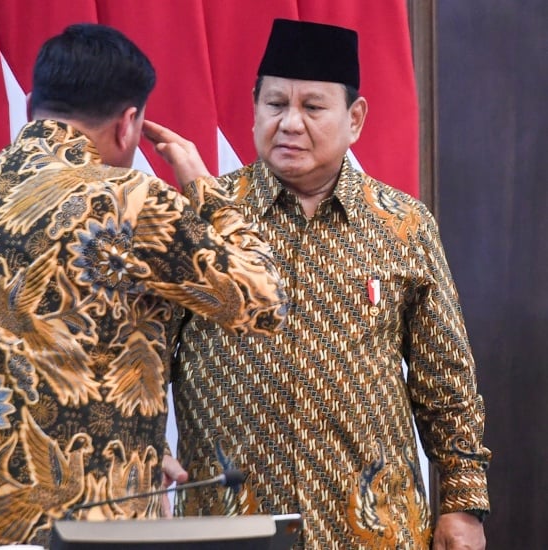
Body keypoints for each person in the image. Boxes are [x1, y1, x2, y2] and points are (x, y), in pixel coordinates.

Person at [0, 23, 289, 549]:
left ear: (32, 105)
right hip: (79, 528)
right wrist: (204, 188)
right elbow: (265, 300)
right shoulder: (130, 199)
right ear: (129, 123)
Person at [148, 18, 491, 549]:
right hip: (232, 524)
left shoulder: (404, 225)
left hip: (376, 531)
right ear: (254, 106)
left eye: (312, 107)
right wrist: (146, 452)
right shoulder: (199, 219)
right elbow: (144, 361)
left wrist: (463, 506)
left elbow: (446, 381)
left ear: (355, 119)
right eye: (275, 104)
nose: (289, 123)